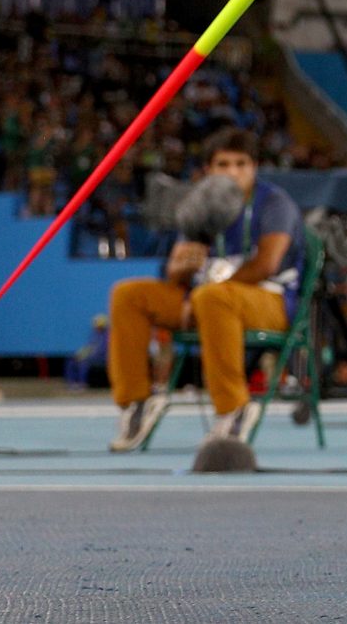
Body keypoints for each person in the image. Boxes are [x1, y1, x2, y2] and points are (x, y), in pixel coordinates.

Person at [105, 127, 300, 451]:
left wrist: (203, 292)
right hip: (208, 301)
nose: (232, 172)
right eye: (223, 164)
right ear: (208, 169)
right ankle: (136, 402)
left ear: (254, 167)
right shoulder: (201, 203)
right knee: (128, 295)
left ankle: (234, 409)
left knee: (211, 296)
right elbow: (174, 272)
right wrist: (182, 270)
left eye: (241, 164)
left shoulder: (274, 203)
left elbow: (266, 265)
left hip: (270, 299)